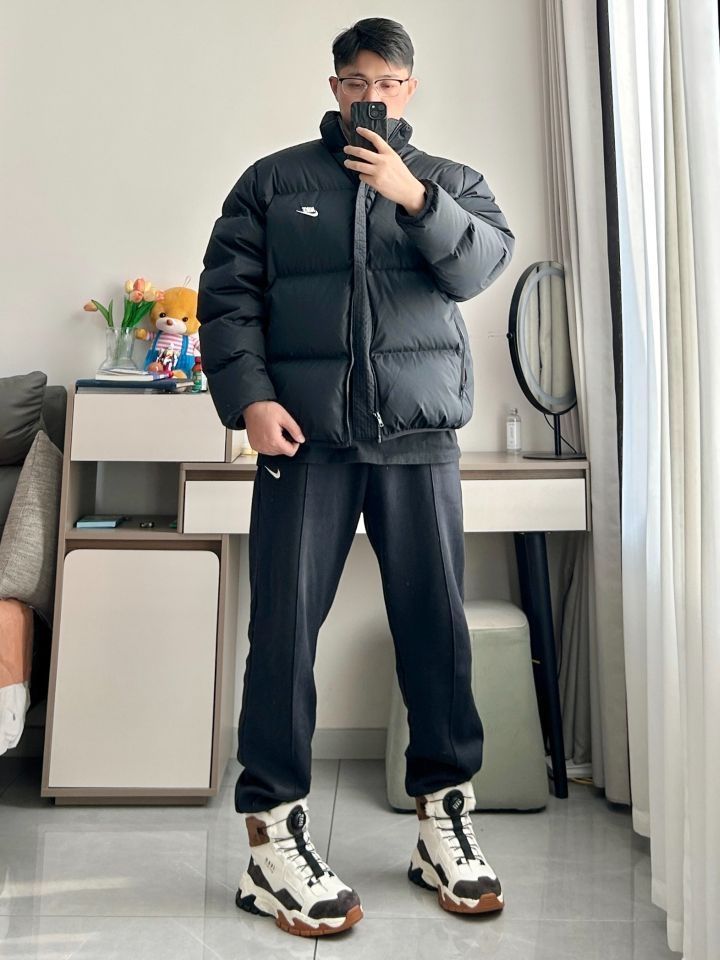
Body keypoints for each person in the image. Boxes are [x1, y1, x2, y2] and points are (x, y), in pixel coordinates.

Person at [197, 16, 515, 939]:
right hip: (305, 443)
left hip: (419, 440)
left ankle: (444, 821)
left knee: (435, 629)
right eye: (355, 82)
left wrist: (414, 197)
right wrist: (251, 400)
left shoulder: (453, 183)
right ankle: (272, 838)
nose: (370, 96)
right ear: (334, 87)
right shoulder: (272, 182)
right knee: (284, 631)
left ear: (410, 89)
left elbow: (478, 269)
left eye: (387, 82)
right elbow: (227, 298)